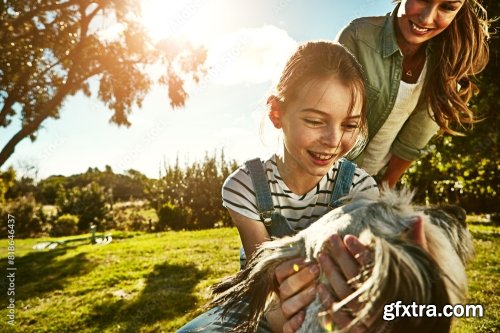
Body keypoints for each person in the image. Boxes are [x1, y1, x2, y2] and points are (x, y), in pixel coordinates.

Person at [276, 0, 491, 331]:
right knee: (296, 289)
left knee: (366, 293)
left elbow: (411, 143)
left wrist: (382, 193)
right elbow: (331, 106)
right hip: (326, 176)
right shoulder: (360, 36)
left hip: (374, 185)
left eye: (447, 7)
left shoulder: (445, 66)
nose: (427, 17)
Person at [177, 41, 379, 332]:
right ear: (276, 113)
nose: (334, 140)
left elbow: (361, 289)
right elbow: (264, 287)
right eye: (314, 121)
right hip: (262, 305)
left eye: (349, 125)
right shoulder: (244, 186)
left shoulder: (360, 189)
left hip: (333, 313)